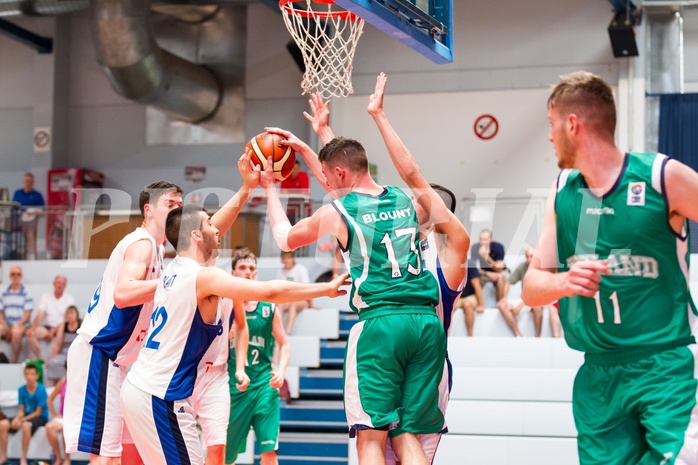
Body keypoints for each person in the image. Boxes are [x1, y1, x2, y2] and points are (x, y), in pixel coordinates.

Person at [521, 70, 698, 465]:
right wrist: (564, 281)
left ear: (573, 124)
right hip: (599, 376)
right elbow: (531, 288)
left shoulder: (659, 176)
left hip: (666, 365)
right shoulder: (566, 190)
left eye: (552, 125)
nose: (549, 137)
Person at [260, 89, 445, 465]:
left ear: (338, 174)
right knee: (407, 431)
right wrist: (322, 139)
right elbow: (347, 174)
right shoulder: (401, 198)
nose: (324, 181)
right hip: (426, 324)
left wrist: (270, 189)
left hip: (381, 325)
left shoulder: (336, 212)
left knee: (371, 438)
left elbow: (285, 237)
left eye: (326, 175)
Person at [65, 152, 261, 464]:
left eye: (179, 206)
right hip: (102, 352)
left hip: (127, 362)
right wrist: (176, 285)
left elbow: (209, 230)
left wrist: (245, 190)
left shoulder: (161, 249)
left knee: (128, 453)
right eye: (170, 205)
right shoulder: (142, 243)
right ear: (148, 209)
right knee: (106, 455)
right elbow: (123, 293)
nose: (177, 210)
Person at [120, 205, 348, 465]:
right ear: (195, 235)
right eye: (209, 222)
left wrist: (246, 190)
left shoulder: (171, 271)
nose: (216, 227)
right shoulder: (202, 277)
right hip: (159, 395)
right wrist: (326, 288)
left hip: (142, 387)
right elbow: (269, 292)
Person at [363, 73, 469, 464]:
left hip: (428, 361)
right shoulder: (401, 245)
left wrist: (380, 117)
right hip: (394, 349)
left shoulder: (450, 255)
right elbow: (355, 192)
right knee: (377, 445)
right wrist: (323, 139)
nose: (407, 203)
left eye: (416, 201)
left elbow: (412, 176)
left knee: (403, 447)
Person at [225, 248, 291, 465]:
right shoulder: (225, 306)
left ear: (256, 274)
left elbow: (285, 344)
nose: (247, 272)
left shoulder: (268, 307)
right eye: (242, 267)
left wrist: (281, 371)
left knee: (269, 450)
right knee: (225, 455)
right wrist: (228, 335)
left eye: (251, 268)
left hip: (264, 384)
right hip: (234, 388)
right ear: (233, 273)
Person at [498, 247, 561, 337]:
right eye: (527, 256)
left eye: (531, 256)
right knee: (501, 305)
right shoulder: (522, 266)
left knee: (537, 307)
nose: (529, 259)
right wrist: (504, 298)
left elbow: (538, 293)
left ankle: (537, 338)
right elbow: (509, 281)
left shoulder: (542, 269)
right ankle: (518, 335)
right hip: (525, 300)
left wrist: (520, 306)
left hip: (538, 300)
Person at [0, 362, 48, 465]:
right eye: (27, 374)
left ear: (36, 376)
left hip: (39, 417)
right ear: (24, 375)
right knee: (3, 424)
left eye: (32, 374)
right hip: (26, 416)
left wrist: (22, 420)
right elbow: (21, 410)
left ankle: (23, 458)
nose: (29, 377)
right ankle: (3, 455)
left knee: (26, 425)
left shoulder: (41, 390)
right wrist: (17, 419)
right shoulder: (21, 390)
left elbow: (38, 412)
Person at [27, 275, 75, 361]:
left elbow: (67, 319)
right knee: (31, 334)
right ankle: (40, 359)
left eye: (62, 283)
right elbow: (40, 314)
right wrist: (33, 327)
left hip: (61, 327)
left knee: (61, 328)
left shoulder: (69, 299)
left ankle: (51, 361)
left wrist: (54, 331)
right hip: (47, 326)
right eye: (58, 283)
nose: (60, 285)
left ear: (65, 286)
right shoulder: (46, 296)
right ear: (54, 284)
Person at [275, 250, 315, 334]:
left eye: (289, 258)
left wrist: (311, 304)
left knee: (293, 304)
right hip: (286, 300)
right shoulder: (280, 272)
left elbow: (308, 288)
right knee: (280, 305)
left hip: (302, 300)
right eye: (284, 258)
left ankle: (288, 331)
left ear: (293, 259)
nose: (286, 261)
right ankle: (278, 330)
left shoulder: (300, 269)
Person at [0, 266, 34, 363]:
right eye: (13, 274)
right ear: (10, 276)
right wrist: (2, 324)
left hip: (22, 324)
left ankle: (14, 360)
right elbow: (0, 312)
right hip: (7, 323)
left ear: (21, 276)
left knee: (16, 332)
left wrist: (16, 325)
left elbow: (28, 314)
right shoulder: (3, 292)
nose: (15, 276)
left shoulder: (27, 292)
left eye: (18, 274)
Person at [43, 306, 81, 387]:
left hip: (77, 352)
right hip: (65, 352)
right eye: (67, 313)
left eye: (71, 313)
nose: (69, 315)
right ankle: (52, 388)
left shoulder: (81, 324)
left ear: (77, 315)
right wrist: (50, 359)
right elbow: (57, 344)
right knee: (52, 364)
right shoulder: (63, 325)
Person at [12, 173, 45, 260]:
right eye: (26, 181)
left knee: (30, 236)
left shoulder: (37, 195)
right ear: (23, 181)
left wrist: (32, 212)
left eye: (30, 181)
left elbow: (42, 210)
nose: (28, 183)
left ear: (33, 182)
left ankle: (32, 256)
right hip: (18, 220)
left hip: (31, 221)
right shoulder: (17, 193)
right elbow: (14, 206)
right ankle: (19, 255)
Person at [470, 229, 508, 301]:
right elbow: (473, 268)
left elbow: (499, 269)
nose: (482, 242)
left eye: (485, 239)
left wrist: (486, 257)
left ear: (491, 239)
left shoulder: (498, 247)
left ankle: (500, 304)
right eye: (481, 239)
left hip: (499, 272)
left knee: (500, 278)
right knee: (474, 279)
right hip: (484, 273)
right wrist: (487, 273)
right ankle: (477, 303)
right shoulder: (475, 247)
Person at [46, 375, 70, 465]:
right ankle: (58, 457)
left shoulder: (80, 381)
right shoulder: (62, 381)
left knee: (66, 429)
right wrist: (54, 415)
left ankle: (67, 458)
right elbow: (49, 400)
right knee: (49, 427)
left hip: (74, 418)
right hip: (63, 417)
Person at [457, 262, 485, 337]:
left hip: (470, 296)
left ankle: (470, 335)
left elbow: (477, 286)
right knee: (448, 307)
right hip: (457, 297)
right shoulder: (451, 265)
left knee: (467, 304)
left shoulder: (470, 264)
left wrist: (481, 305)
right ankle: (446, 335)